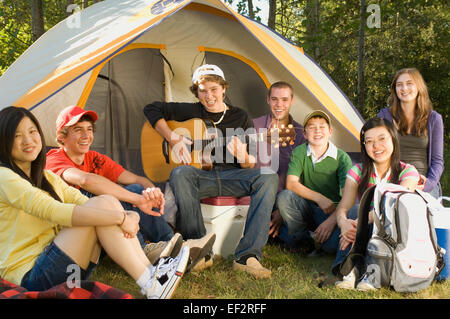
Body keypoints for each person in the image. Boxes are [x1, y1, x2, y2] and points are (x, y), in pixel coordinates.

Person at [0, 106, 190, 299]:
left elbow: (87, 201)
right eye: (17, 135)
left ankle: (153, 276)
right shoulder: (4, 176)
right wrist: (121, 216)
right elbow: (53, 210)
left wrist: (131, 210)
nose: (28, 140)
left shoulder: (45, 177)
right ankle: (150, 278)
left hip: (63, 264)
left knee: (106, 201)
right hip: (31, 278)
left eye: (32, 131)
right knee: (104, 207)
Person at [143, 64, 278, 278]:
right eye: (203, 90)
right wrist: (173, 138)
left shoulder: (240, 117)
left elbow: (249, 164)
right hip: (202, 177)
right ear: (196, 92)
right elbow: (151, 108)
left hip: (233, 177)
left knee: (269, 176)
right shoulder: (191, 111)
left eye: (214, 89)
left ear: (224, 89)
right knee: (180, 173)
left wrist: (242, 156)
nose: (209, 95)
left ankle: (247, 256)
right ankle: (199, 251)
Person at [45, 105, 215, 271]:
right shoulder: (54, 159)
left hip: (104, 228)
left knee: (135, 187)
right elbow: (85, 180)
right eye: (78, 130)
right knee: (122, 194)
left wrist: (152, 192)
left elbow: (136, 178)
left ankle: (174, 248)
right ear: (62, 137)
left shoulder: (94, 158)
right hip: (73, 235)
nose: (86, 135)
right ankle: (147, 252)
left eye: (89, 129)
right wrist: (137, 199)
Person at [332, 117, 419, 290]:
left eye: (382, 139)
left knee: (380, 217)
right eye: (369, 141)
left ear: (393, 139)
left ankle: (374, 271)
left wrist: (361, 222)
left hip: (391, 233)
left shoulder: (408, 172)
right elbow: (343, 206)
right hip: (363, 229)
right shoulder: (357, 171)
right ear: (364, 146)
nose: (376, 146)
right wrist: (344, 223)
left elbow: (393, 206)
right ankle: (349, 269)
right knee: (353, 211)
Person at [276, 110, 353, 255]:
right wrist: (320, 198)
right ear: (304, 134)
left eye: (322, 127)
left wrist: (331, 222)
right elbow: (291, 184)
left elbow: (348, 198)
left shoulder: (342, 158)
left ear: (330, 132)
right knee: (285, 197)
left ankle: (317, 240)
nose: (317, 131)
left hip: (332, 212)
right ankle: (304, 242)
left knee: (331, 246)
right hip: (306, 209)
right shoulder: (299, 152)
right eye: (312, 127)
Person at [252, 81, 306, 242]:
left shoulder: (300, 133)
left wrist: (281, 212)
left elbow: (303, 176)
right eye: (274, 99)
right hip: (257, 195)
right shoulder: (254, 126)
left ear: (292, 101)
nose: (279, 104)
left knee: (289, 239)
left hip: (284, 198)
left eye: (284, 99)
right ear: (268, 100)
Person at [378, 67, 444, 198]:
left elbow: (437, 161)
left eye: (409, 83)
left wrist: (428, 184)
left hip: (423, 182)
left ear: (419, 86)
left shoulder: (433, 119)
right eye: (399, 85)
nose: (404, 88)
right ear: (395, 90)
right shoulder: (385, 116)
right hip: (393, 181)